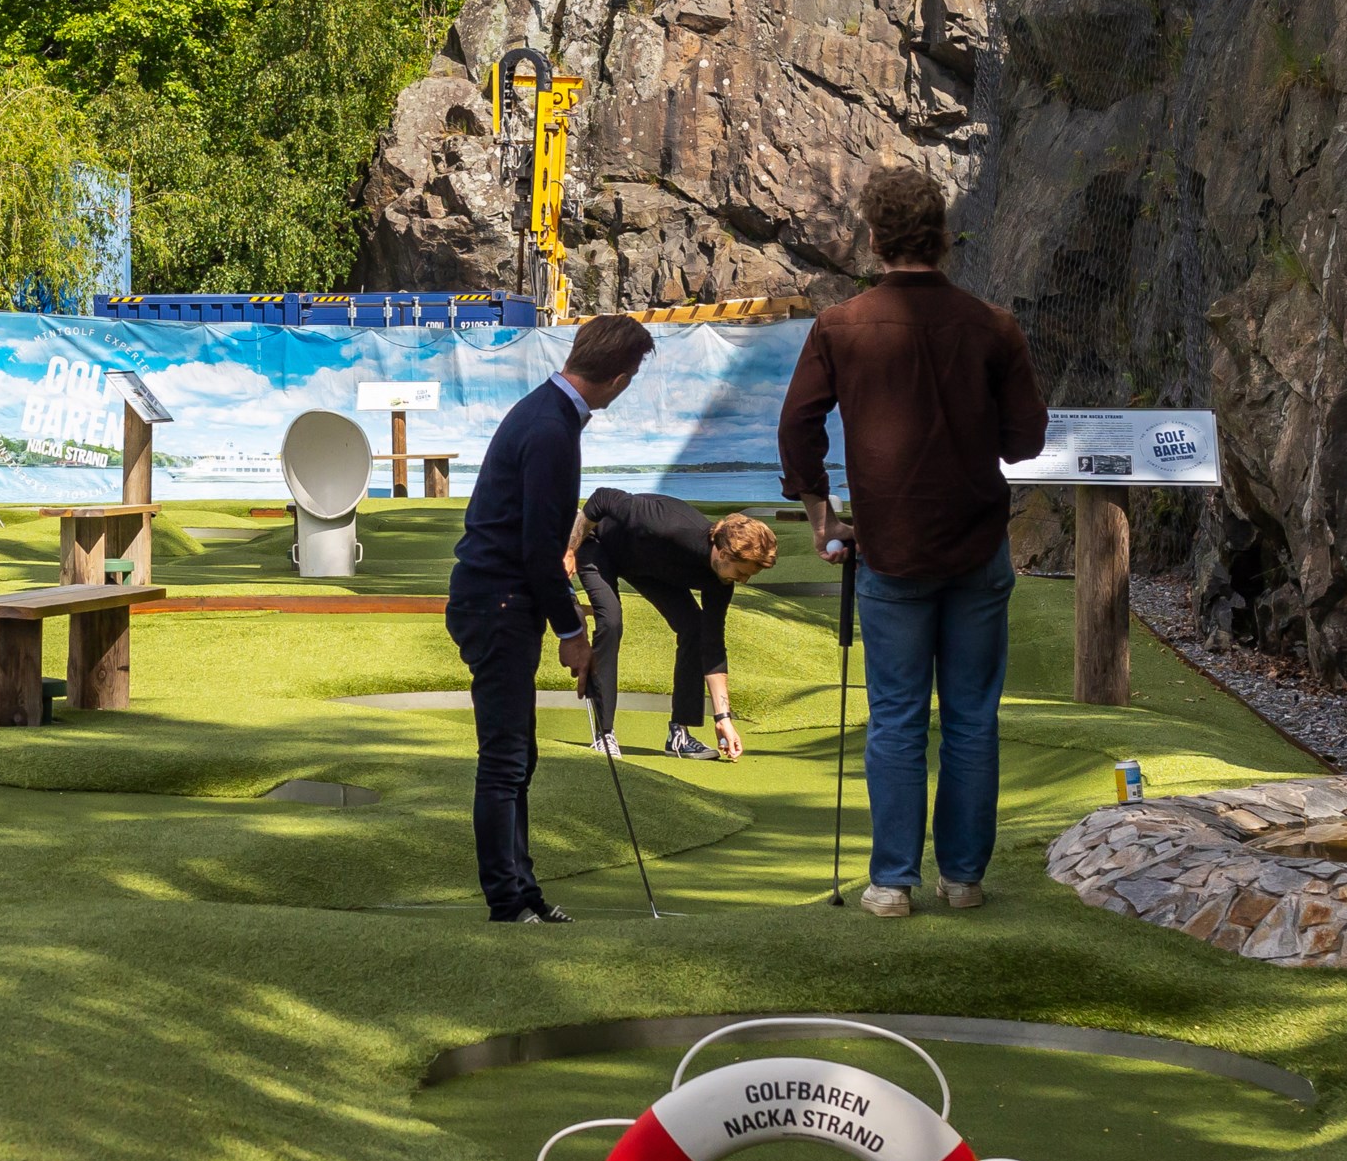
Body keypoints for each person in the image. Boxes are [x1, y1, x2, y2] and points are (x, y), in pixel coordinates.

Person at [777, 167, 1046, 918]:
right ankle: (962, 879)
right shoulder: (993, 327)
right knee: (971, 716)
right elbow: (1025, 443)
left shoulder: (842, 324)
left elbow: (797, 425)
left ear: (873, 237)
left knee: (896, 716)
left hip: (888, 550)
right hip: (977, 547)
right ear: (943, 238)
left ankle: (892, 882)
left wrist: (820, 512)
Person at [445, 312, 656, 923]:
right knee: (506, 758)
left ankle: (523, 890)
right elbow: (539, 552)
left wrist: (563, 622)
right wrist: (572, 632)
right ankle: (508, 904)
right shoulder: (551, 428)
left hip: (500, 599)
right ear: (618, 377)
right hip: (498, 603)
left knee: (518, 756)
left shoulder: (549, 413)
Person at [566, 493, 780, 761]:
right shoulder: (669, 525)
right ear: (724, 552)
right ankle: (603, 734)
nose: (745, 580)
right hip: (599, 544)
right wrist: (571, 549)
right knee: (611, 620)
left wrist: (723, 717)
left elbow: (713, 647)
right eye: (742, 572)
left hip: (645, 566)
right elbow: (601, 499)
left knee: (695, 628)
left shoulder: (719, 581)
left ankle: (679, 735)